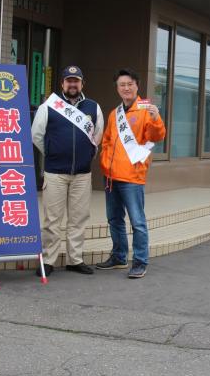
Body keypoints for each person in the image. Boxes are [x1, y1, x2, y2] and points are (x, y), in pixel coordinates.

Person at [31, 65, 104, 276]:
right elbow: (36, 135)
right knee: (52, 219)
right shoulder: (49, 106)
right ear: (62, 83)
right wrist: (53, 152)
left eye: (76, 81)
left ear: (82, 83)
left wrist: (88, 153)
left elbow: (97, 136)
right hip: (55, 173)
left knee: (78, 218)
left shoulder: (93, 107)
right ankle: (49, 260)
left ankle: (75, 259)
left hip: (82, 173)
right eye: (69, 80)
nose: (73, 84)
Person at [96, 68, 166, 278]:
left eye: (129, 84)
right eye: (121, 85)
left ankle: (140, 261)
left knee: (137, 221)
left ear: (136, 86)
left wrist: (155, 118)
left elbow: (157, 136)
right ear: (117, 88)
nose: (126, 88)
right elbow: (107, 140)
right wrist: (104, 160)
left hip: (132, 177)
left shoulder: (146, 110)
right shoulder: (114, 113)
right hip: (111, 176)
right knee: (114, 219)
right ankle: (118, 257)